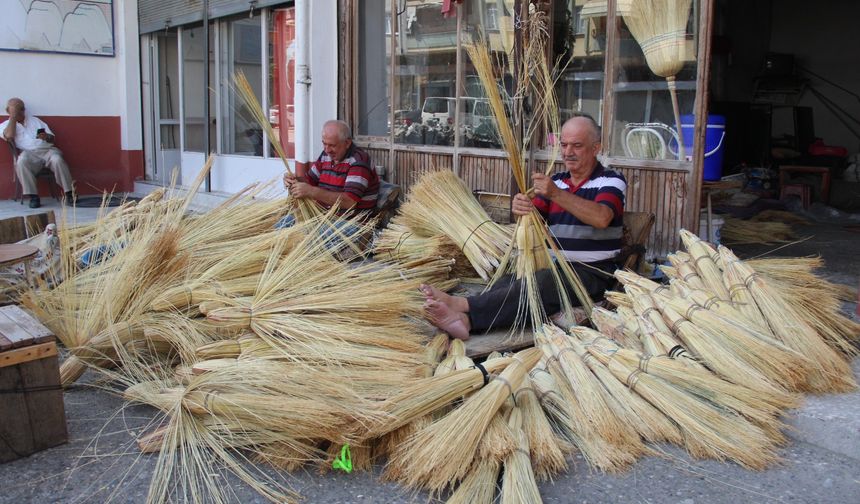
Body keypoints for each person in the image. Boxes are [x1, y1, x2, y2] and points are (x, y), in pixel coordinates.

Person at [423, 114, 627, 340]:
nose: (568, 152)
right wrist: (521, 207)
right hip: (555, 266)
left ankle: (459, 305)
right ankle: (466, 320)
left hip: (593, 272)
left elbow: (602, 218)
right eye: (564, 144)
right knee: (508, 281)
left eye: (577, 146)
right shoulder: (557, 181)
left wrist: (556, 194)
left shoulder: (610, 180)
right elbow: (534, 218)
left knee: (542, 284)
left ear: (595, 148)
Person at [282, 119, 379, 216]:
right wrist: (294, 180)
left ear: (347, 143)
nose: (327, 150)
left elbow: (349, 201)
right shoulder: (326, 156)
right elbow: (309, 181)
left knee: (304, 231)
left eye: (332, 145)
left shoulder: (358, 161)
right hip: (322, 215)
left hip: (350, 221)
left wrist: (311, 191)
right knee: (281, 226)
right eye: (324, 143)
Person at [2, 98, 75, 208]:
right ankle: (33, 197)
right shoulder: (6, 125)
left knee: (57, 160)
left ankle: (70, 193)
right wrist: (13, 117)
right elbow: (9, 136)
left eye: (22, 109)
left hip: (47, 150)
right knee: (21, 162)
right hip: (29, 153)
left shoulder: (35, 121)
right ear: (8, 111)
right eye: (17, 109)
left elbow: (52, 139)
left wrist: (46, 137)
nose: (20, 112)